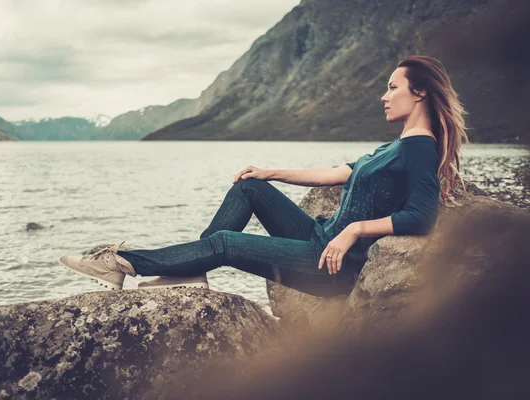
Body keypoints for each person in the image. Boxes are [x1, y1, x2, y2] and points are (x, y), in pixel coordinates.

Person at [59, 55, 469, 296]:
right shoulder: (395, 145)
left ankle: (122, 264)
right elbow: (333, 173)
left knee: (223, 242)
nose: (383, 95)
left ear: (419, 94)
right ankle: (190, 271)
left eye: (393, 87)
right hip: (317, 238)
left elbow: (422, 216)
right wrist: (272, 172)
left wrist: (354, 231)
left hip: (328, 267)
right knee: (250, 187)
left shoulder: (419, 147)